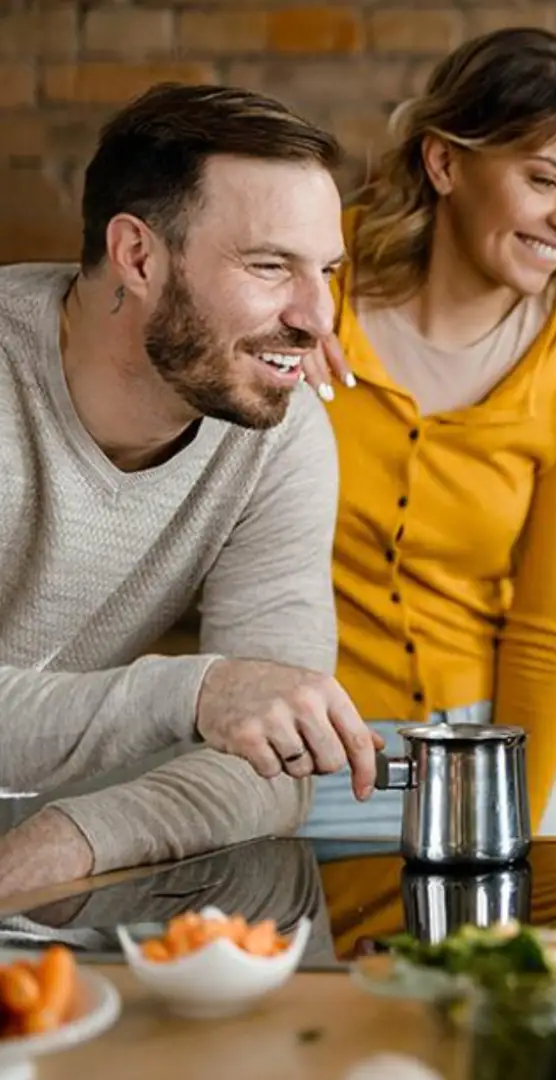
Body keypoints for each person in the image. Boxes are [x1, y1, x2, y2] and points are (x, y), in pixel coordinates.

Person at [0, 83, 382, 896]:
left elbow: (280, 761)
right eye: (271, 266)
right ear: (138, 256)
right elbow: (228, 704)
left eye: (328, 272)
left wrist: (72, 840)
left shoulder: (276, 436)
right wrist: (200, 690)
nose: (319, 317)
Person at [295, 27, 556, 840]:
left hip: (491, 753)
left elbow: (551, 623)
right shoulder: (309, 284)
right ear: (445, 163)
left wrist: (505, 824)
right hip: (300, 752)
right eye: (544, 179)